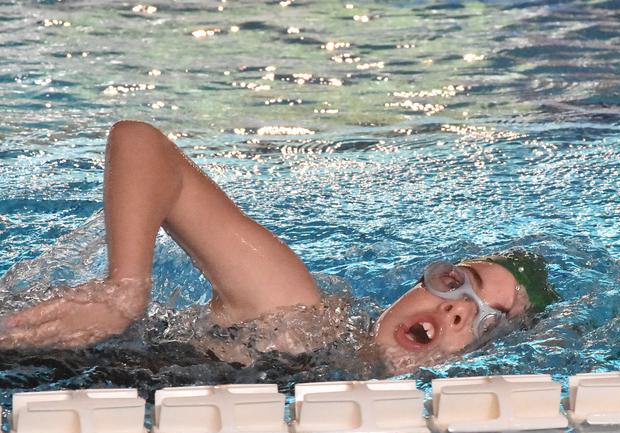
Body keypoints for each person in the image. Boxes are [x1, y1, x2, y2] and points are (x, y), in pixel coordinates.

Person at [0, 121, 559, 374]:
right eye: (456, 281)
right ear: (418, 283)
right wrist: (125, 289)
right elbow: (142, 144)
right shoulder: (298, 317)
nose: (457, 307)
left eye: (487, 322)